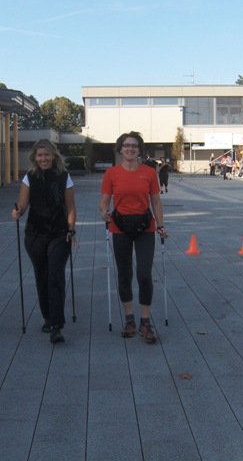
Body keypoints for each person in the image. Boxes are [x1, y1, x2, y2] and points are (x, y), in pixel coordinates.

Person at [99, 131, 167, 344]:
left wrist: (161, 225)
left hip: (145, 227)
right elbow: (104, 201)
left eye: (134, 146)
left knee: (144, 274)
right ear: (121, 149)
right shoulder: (112, 174)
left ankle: (145, 322)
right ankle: (129, 319)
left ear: (139, 150)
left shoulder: (149, 173)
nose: (130, 149)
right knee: (124, 274)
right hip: (120, 227)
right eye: (126, 145)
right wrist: (104, 212)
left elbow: (156, 201)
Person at [12, 140, 77, 344]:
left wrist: (71, 229)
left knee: (55, 276)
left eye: (46, 155)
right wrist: (18, 212)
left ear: (53, 156)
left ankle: (57, 325)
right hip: (35, 234)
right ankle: (48, 317)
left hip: (59, 233)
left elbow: (71, 207)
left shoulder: (64, 177)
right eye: (40, 155)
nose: (43, 158)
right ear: (35, 157)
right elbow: (23, 204)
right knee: (42, 276)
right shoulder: (29, 177)